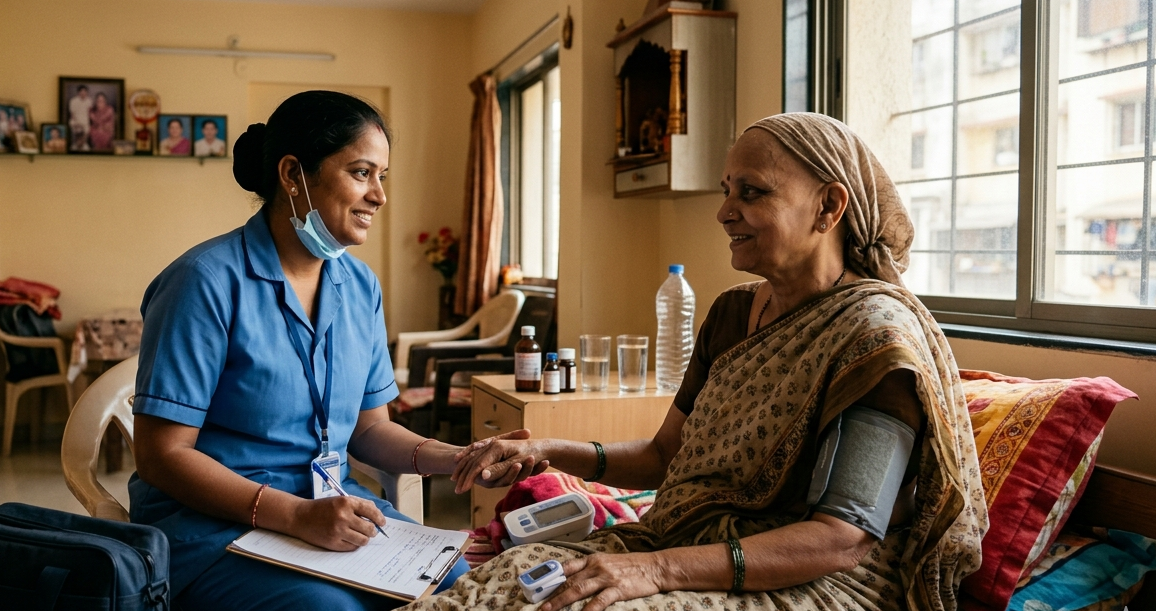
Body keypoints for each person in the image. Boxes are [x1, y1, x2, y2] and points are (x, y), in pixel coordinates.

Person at [423, 112, 987, 611]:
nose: (723, 211)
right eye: (726, 190)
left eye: (751, 192)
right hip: (684, 543)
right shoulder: (732, 314)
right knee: (501, 582)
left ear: (829, 206)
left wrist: (656, 571)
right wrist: (546, 450)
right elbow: (663, 457)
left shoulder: (874, 339)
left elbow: (841, 539)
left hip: (811, 579)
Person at [129, 91, 531, 611]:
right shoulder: (203, 282)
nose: (379, 196)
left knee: (458, 585)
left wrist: (459, 458)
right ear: (293, 174)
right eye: (362, 173)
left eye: (382, 176)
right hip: (213, 528)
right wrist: (295, 515)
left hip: (330, 512)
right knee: (331, 608)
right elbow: (161, 456)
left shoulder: (359, 286)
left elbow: (369, 429)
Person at [68, 85, 92, 151]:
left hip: (85, 121)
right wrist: (77, 123)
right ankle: (75, 145)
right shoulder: (73, 101)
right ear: (78, 92)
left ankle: (84, 145)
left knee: (87, 129)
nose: (83, 93)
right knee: (72, 124)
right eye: (81, 91)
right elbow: (72, 114)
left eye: (85, 91)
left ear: (87, 92)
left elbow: (90, 113)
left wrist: (84, 123)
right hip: (76, 120)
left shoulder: (89, 101)